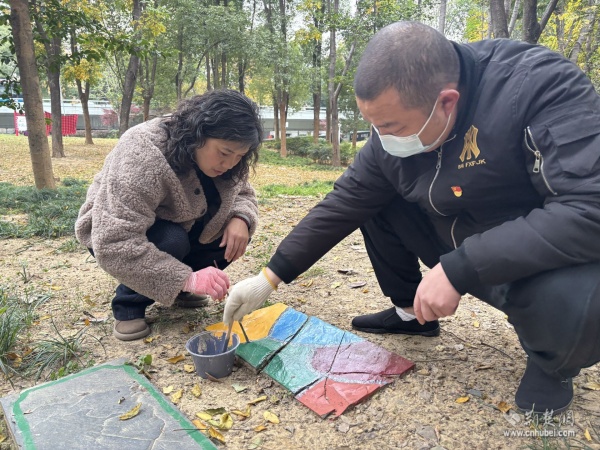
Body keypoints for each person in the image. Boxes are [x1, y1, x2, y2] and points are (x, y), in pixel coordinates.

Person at [223, 21, 600, 415]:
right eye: (374, 126)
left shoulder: (539, 87)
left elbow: (589, 209)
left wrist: (460, 267)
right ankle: (410, 314)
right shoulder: (396, 125)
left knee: (583, 295)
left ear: (447, 102)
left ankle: (552, 363)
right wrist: (270, 276)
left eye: (391, 127)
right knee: (373, 200)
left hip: (525, 255)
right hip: (451, 234)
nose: (382, 138)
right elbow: (347, 199)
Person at [76, 89, 262, 341]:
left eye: (240, 156)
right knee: (172, 240)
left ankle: (177, 290)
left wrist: (241, 218)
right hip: (114, 232)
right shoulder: (143, 153)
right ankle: (129, 305)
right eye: (225, 153)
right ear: (198, 133)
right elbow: (114, 241)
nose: (230, 164)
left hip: (183, 224)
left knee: (232, 234)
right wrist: (187, 278)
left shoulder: (229, 160)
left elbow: (243, 193)